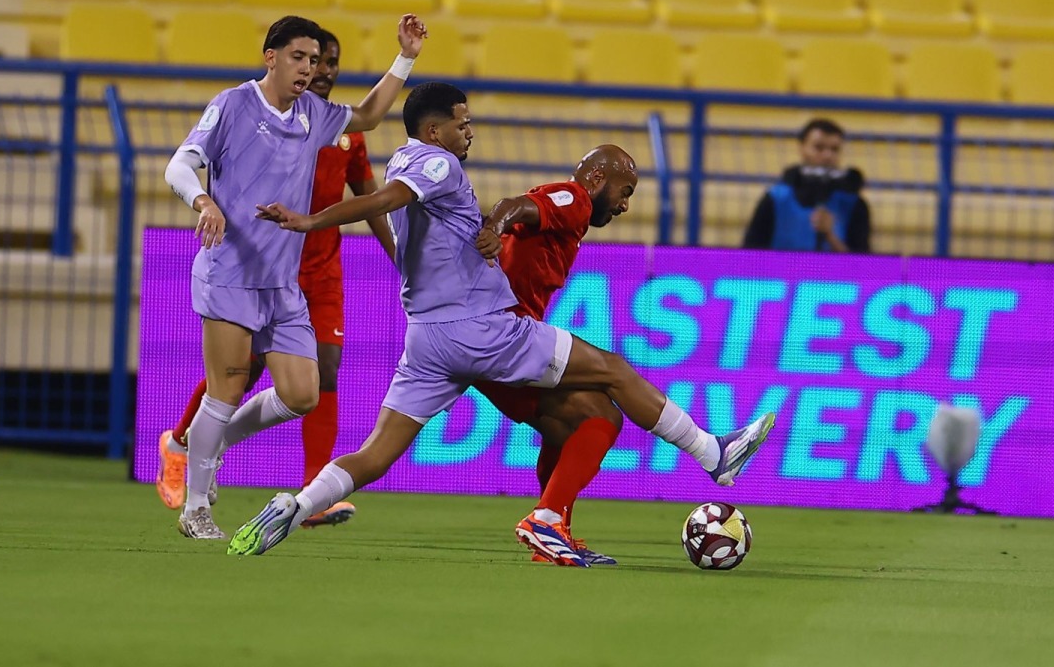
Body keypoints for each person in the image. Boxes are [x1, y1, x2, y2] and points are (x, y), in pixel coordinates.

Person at [229, 82, 776, 566]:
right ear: (435, 129)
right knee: (612, 371)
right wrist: (310, 221)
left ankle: (295, 505)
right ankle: (712, 452)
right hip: (484, 328)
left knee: (381, 450)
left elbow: (397, 205)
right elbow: (440, 201)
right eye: (463, 123)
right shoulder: (450, 167)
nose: (471, 132)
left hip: (427, 337)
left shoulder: (404, 159)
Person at [161, 13, 426, 540]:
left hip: (282, 283)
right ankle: (197, 508)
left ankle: (203, 449)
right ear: (272, 57)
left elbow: (371, 116)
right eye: (299, 58)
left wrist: (407, 56)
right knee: (228, 385)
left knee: (302, 393)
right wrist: (203, 200)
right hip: (230, 271)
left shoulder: (314, 115)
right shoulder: (233, 105)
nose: (308, 69)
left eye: (314, 60)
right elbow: (178, 165)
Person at [474, 145, 638, 565]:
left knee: (572, 424)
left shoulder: (571, 212)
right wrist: (494, 226)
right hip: (504, 341)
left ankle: (552, 529)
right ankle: (547, 521)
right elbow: (515, 206)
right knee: (606, 404)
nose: (623, 205)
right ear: (599, 179)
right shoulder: (575, 199)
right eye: (625, 191)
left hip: (487, 339)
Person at [742, 117, 871, 253]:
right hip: (780, 272)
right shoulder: (776, 198)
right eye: (818, 148)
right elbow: (750, 253)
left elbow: (863, 266)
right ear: (802, 148)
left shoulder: (854, 203)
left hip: (833, 274)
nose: (827, 155)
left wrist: (830, 235)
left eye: (834, 149)